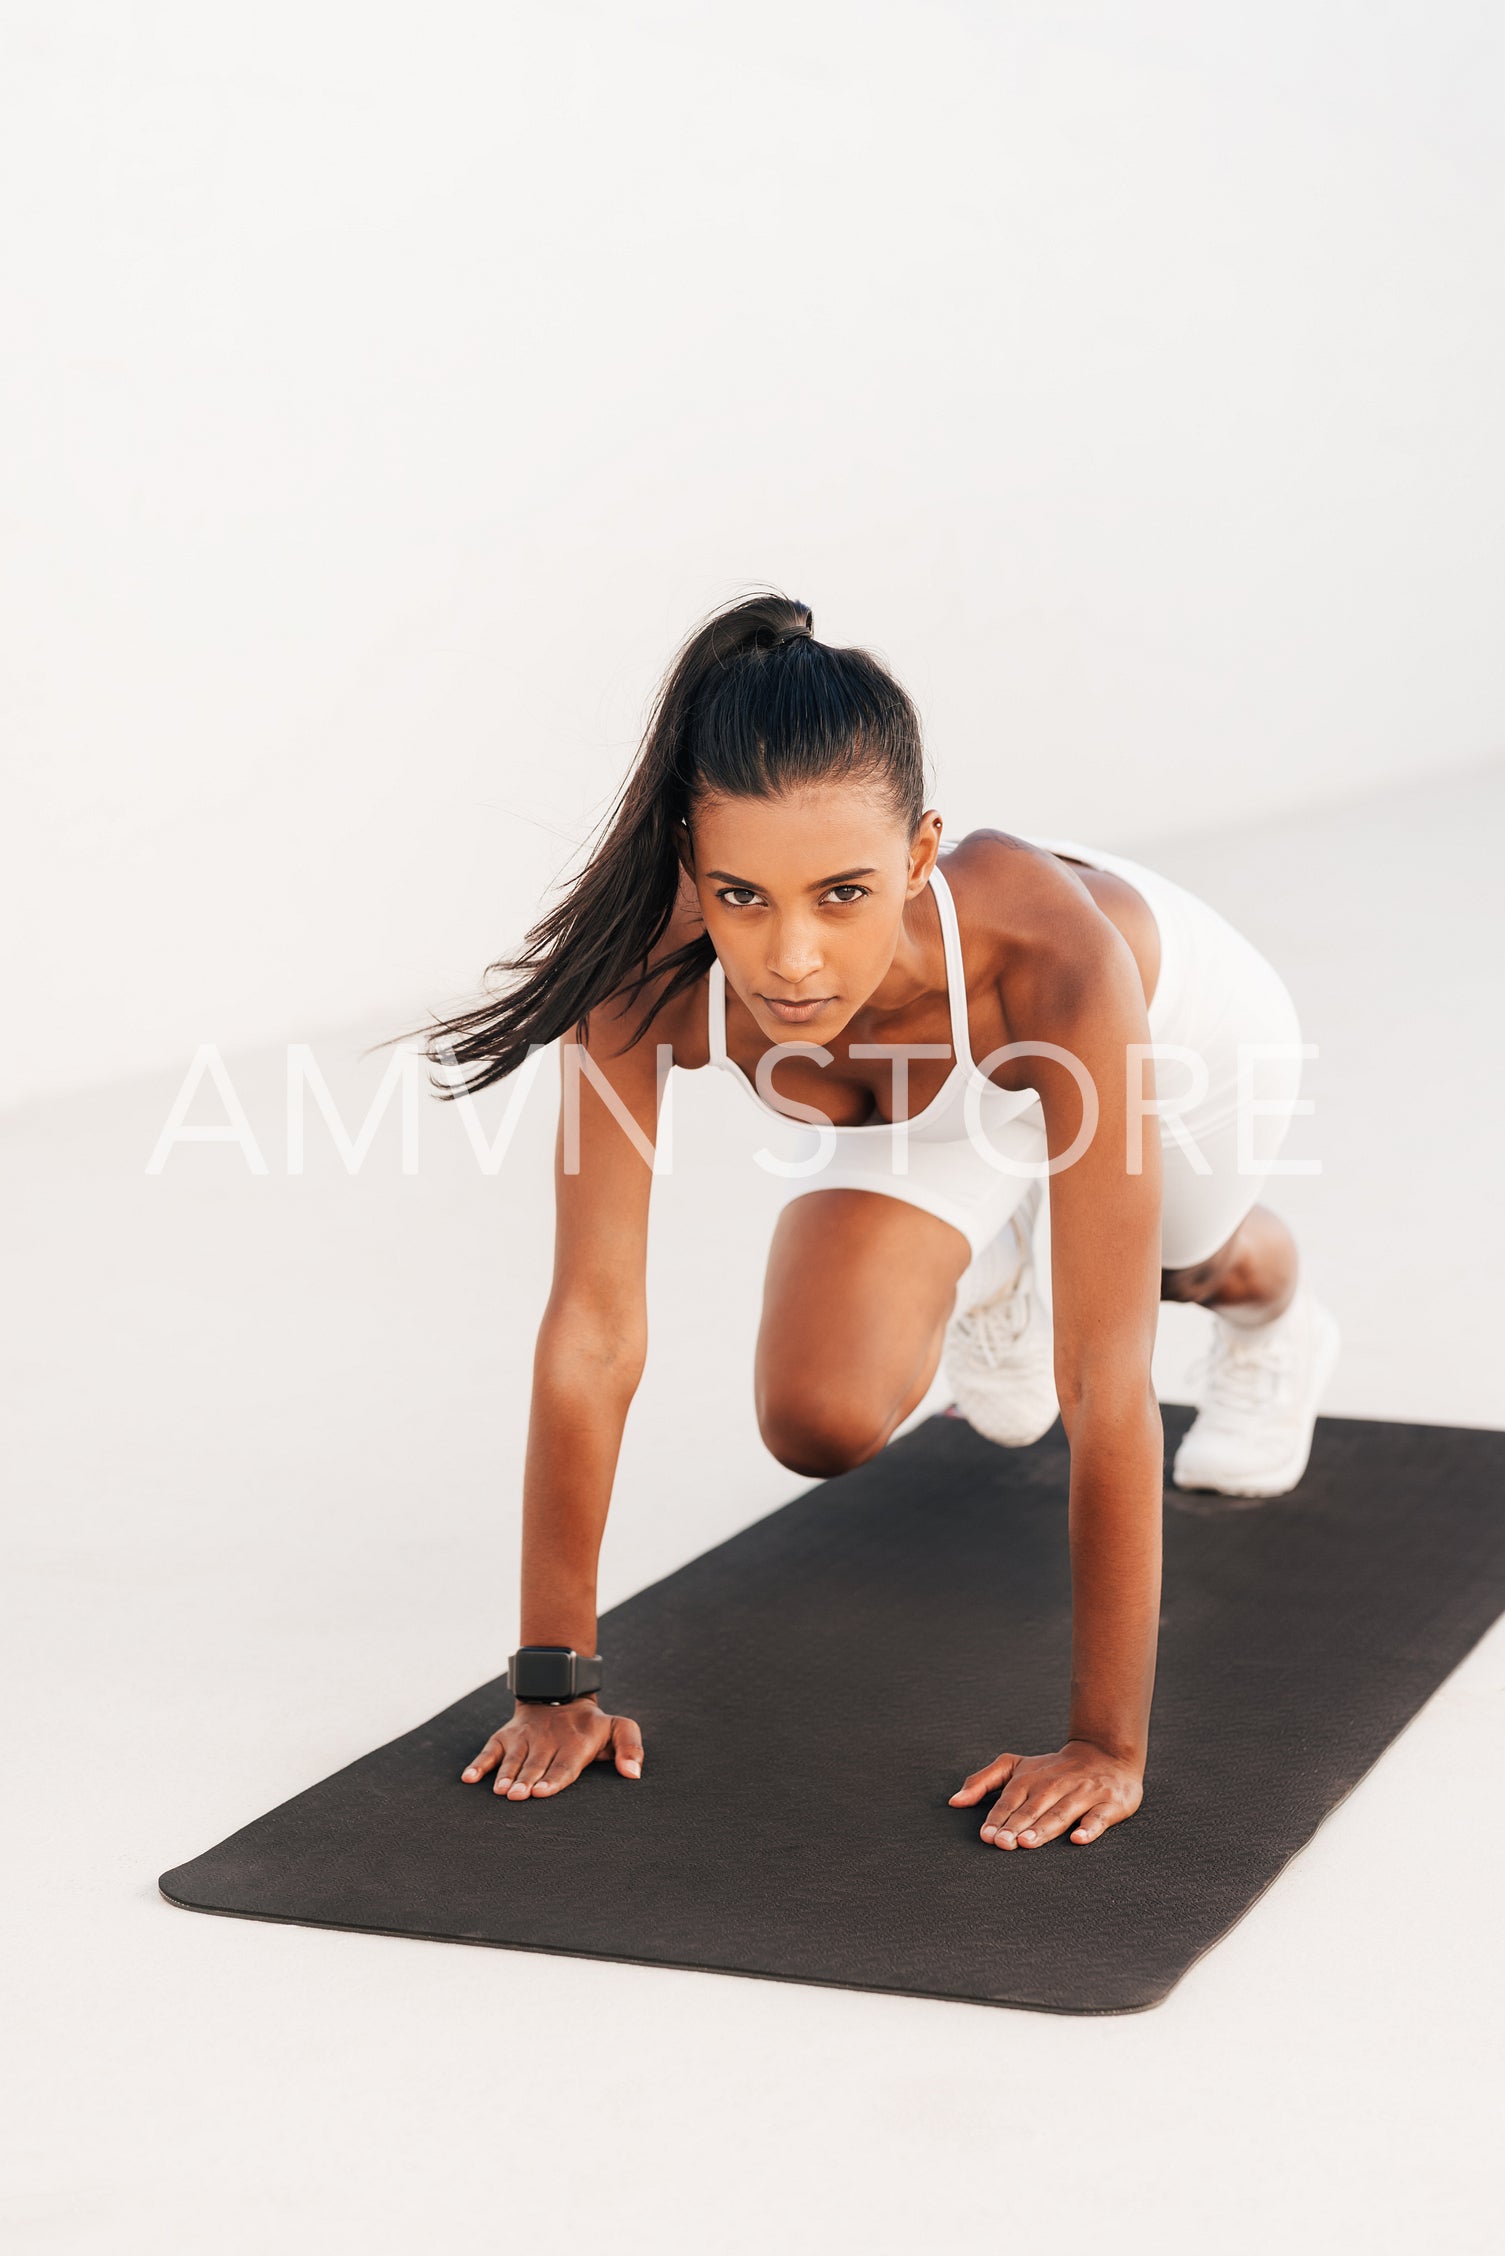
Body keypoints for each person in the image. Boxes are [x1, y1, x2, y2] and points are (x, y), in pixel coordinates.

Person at [425, 592, 1341, 1853]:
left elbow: (1104, 1379)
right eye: (742, 896)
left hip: (1160, 1037)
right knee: (817, 1418)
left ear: (918, 857)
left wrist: (1102, 1744)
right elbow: (591, 1325)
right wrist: (553, 1684)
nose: (791, 957)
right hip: (931, 1096)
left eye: (842, 893)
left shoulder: (1054, 961)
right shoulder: (642, 983)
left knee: (1187, 1272)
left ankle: (1277, 1325)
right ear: (692, 870)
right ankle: (1008, 1252)